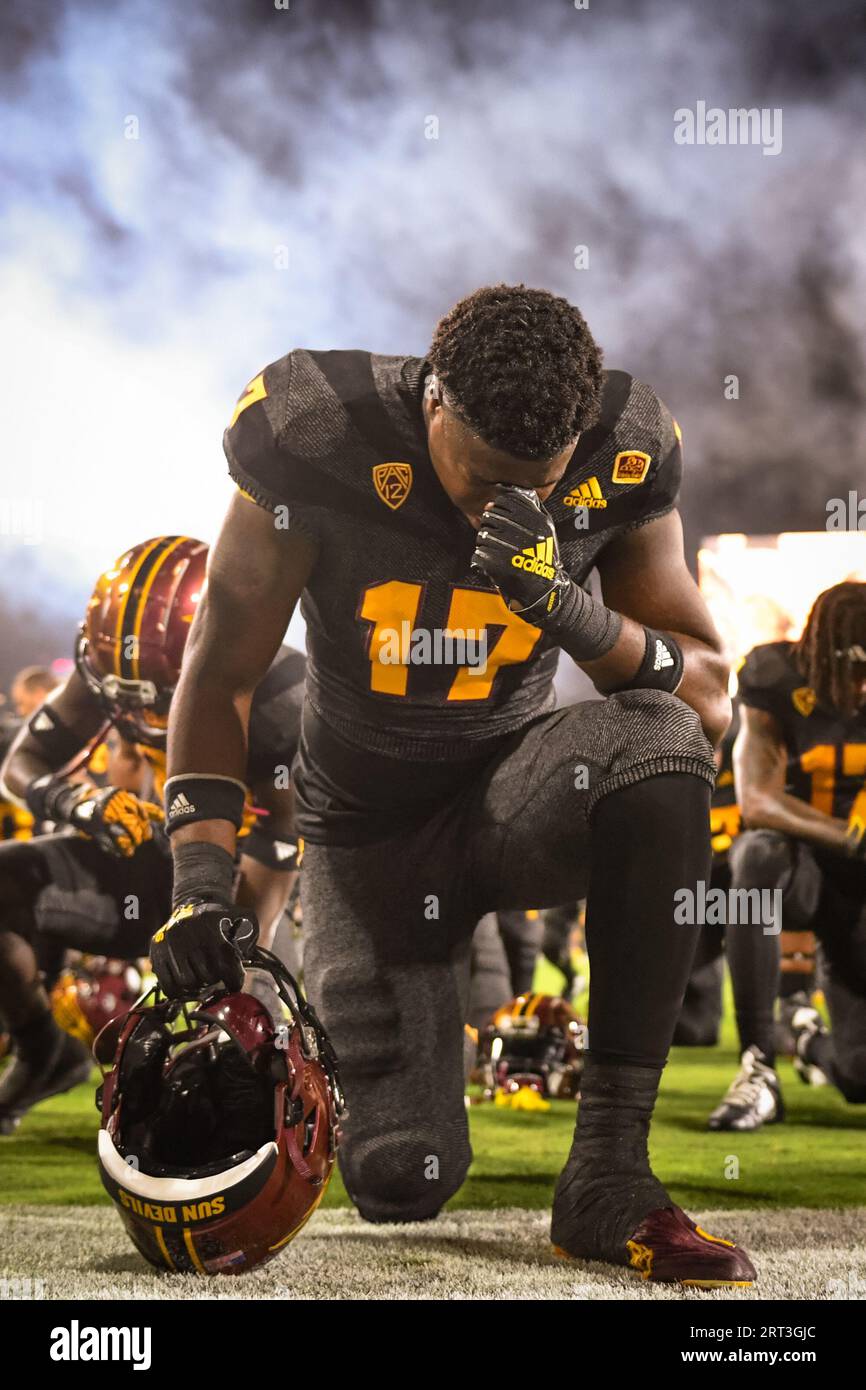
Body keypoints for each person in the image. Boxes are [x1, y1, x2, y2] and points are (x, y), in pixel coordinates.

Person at [154, 284, 755, 1284]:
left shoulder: (624, 448)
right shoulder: (315, 432)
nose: (499, 507)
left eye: (535, 483)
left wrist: (573, 613)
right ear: (433, 399)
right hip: (364, 838)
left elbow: (712, 694)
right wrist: (200, 890)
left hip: (511, 798)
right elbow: (219, 674)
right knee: (401, 1174)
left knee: (662, 743)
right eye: (480, 478)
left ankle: (609, 1172)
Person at [0, 536, 305, 1131]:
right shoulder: (115, 665)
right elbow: (23, 762)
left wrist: (234, 953)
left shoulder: (279, 690)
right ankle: (43, 1052)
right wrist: (79, 801)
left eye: (166, 697)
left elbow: (283, 837)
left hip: (266, 880)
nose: (150, 713)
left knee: (251, 1062)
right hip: (161, 866)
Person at [708, 583, 866, 1130]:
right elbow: (758, 801)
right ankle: (758, 1067)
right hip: (805, 873)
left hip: (858, 891)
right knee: (754, 855)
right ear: (821, 656)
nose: (861, 687)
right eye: (852, 669)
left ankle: (806, 1038)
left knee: (859, 1077)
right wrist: (852, 837)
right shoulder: (776, 675)